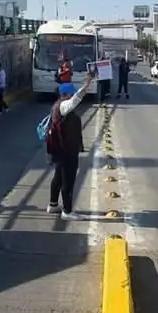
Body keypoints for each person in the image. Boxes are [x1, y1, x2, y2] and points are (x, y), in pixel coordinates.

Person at [46, 73, 96, 220]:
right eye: (71, 93)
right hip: (66, 150)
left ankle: (53, 204)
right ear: (66, 94)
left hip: (61, 149)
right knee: (68, 180)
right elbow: (75, 101)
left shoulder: (57, 105)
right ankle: (67, 211)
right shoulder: (63, 106)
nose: (72, 95)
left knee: (58, 178)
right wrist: (86, 86)